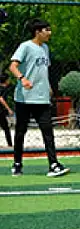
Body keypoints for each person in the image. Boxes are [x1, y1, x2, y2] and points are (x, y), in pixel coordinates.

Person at [9, 19, 67, 177]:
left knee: (48, 131)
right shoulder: (25, 46)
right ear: (37, 32)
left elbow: (43, 71)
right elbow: (13, 66)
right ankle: (17, 163)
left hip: (42, 99)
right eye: (46, 30)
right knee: (20, 132)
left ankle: (54, 165)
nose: (49, 33)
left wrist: (48, 88)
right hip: (24, 99)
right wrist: (23, 78)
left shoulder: (45, 48)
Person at [0, 77, 12, 146]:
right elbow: (1, 98)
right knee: (6, 129)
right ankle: (10, 144)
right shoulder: (3, 89)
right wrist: (8, 109)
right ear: (6, 80)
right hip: (0, 111)